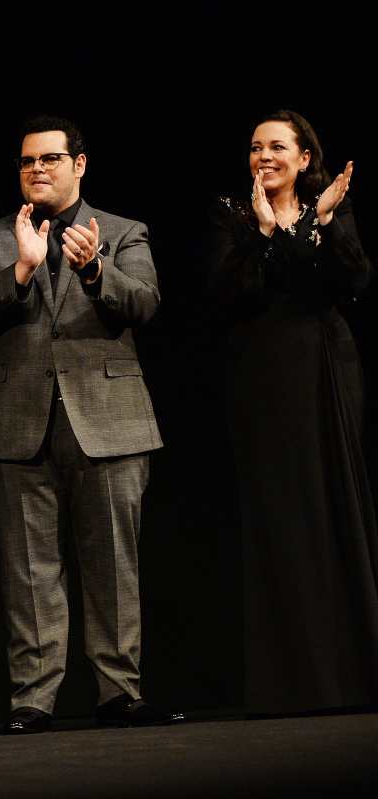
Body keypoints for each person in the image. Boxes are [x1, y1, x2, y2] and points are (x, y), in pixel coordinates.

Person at [0, 115, 181, 734]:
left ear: (79, 165)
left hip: (107, 420)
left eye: (51, 159)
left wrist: (95, 272)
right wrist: (22, 271)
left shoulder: (124, 231)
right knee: (28, 570)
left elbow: (145, 302)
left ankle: (119, 691)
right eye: (28, 161)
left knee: (113, 560)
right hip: (14, 422)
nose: (37, 169)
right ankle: (33, 698)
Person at [209, 110, 376, 715]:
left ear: (305, 157)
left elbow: (351, 280)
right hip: (262, 379)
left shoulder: (330, 207)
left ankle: (347, 678)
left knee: (328, 504)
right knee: (278, 513)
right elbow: (231, 293)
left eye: (277, 146)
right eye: (255, 147)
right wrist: (260, 232)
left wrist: (322, 221)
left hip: (324, 372)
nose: (264, 156)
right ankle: (284, 685)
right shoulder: (232, 212)